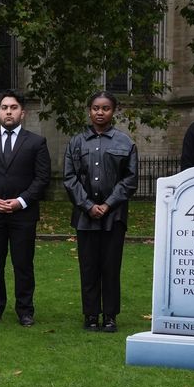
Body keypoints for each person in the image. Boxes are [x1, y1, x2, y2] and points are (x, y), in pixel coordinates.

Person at [0, 90, 51, 327]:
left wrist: (21, 201)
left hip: (23, 215)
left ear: (22, 113)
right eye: (4, 107)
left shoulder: (36, 142)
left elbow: (42, 178)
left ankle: (25, 310)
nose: (8, 111)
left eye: (13, 107)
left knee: (23, 264)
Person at [63, 91, 138, 333]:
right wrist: (87, 205)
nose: (100, 112)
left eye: (105, 108)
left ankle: (110, 316)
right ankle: (91, 315)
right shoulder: (76, 142)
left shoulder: (125, 143)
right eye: (95, 107)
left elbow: (130, 179)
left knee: (110, 266)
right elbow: (70, 177)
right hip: (85, 217)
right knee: (88, 267)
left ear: (113, 111)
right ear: (89, 110)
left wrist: (108, 205)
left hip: (113, 217)